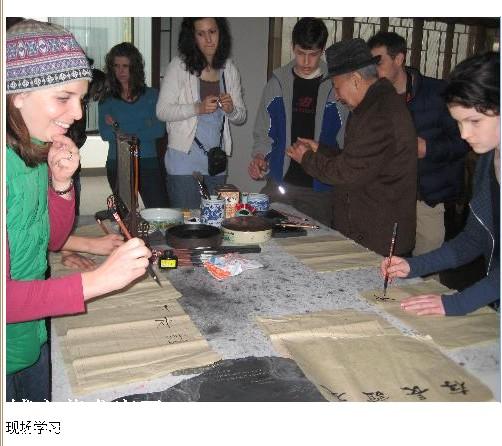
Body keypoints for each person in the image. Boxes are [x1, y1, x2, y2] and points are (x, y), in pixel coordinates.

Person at [6, 20, 152, 402]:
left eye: (81, 99)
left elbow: (52, 241)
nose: (76, 113)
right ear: (18, 93)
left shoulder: (32, 154)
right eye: (63, 97)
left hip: (30, 336)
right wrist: (100, 280)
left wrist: (60, 183)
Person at [381, 52, 500, 316]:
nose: (464, 134)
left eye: (474, 121)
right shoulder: (488, 162)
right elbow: (474, 238)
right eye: (459, 122)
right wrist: (414, 266)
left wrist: (455, 303)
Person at [287, 38, 417, 256]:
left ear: (356, 79)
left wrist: (307, 158)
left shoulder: (379, 114)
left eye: (337, 88)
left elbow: (347, 173)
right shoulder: (373, 105)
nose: (337, 96)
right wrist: (321, 149)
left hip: (379, 238)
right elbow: (360, 159)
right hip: (370, 232)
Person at [368, 32, 470, 256]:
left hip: (426, 197)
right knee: (388, 260)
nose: (374, 70)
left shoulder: (438, 93)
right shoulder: (375, 97)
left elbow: (463, 143)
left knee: (428, 261)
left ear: (399, 59)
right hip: (388, 195)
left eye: (379, 62)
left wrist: (428, 149)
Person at [248, 17, 348, 227]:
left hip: (319, 189)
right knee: (265, 234)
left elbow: (345, 140)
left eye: (313, 54)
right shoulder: (276, 85)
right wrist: (259, 156)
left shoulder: (336, 87)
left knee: (315, 243)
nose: (306, 62)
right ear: (292, 47)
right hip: (280, 184)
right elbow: (263, 131)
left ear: (322, 50)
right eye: (301, 53)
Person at [156, 17, 246, 209]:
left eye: (212, 32)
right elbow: (162, 111)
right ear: (192, 37)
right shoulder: (179, 66)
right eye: (201, 34)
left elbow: (241, 117)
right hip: (183, 161)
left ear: (220, 33)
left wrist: (231, 110)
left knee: (216, 221)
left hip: (216, 161)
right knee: (187, 221)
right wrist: (197, 108)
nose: (209, 39)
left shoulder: (229, 69)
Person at [99, 42, 169, 208]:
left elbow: (159, 130)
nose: (121, 71)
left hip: (148, 161)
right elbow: (105, 134)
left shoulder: (152, 95)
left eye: (125, 66)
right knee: (125, 214)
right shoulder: (106, 99)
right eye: (116, 66)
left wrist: (118, 127)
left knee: (158, 210)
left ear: (134, 67)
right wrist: (144, 126)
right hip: (118, 162)